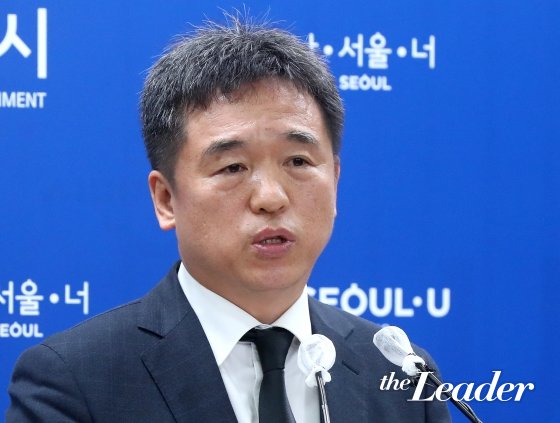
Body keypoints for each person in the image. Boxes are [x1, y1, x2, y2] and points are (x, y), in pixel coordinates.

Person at [6, 17, 450, 422]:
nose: (271, 197)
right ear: (166, 199)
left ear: (334, 180)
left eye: (298, 161)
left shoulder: (401, 377)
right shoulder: (76, 381)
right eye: (233, 167)